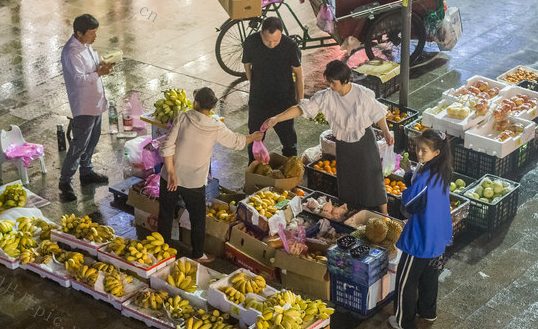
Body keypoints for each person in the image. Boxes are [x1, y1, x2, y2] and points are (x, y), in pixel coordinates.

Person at [264, 60, 393, 214]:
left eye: (333, 82)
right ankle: (350, 210)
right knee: (347, 177)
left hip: (364, 141)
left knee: (372, 175)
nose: (330, 86)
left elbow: (377, 113)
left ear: (344, 80)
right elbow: (301, 108)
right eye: (329, 82)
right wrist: (277, 118)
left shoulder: (361, 94)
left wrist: (385, 132)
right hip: (343, 143)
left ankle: (385, 213)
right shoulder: (327, 96)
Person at [159, 87, 264, 263]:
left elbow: (166, 146)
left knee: (166, 213)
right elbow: (236, 141)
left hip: (170, 177)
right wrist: (253, 137)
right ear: (211, 108)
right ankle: (198, 254)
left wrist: (171, 172)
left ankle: (161, 250)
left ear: (195, 103)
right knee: (198, 218)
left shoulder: (183, 117)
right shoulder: (216, 126)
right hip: (194, 182)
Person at [389, 129, 454, 329]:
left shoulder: (426, 176)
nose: (418, 153)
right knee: (429, 276)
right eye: (417, 148)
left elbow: (411, 202)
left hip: (421, 237)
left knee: (406, 280)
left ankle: (405, 322)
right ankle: (427, 311)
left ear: (436, 152)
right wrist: (410, 174)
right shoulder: (441, 170)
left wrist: (406, 190)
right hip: (438, 235)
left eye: (424, 150)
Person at [59, 14, 114, 202]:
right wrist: (99, 72)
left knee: (93, 139)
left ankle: (86, 171)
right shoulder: (71, 53)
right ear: (79, 33)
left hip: (96, 101)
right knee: (79, 144)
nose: (95, 37)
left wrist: (102, 66)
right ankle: (65, 181)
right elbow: (80, 80)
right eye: (91, 33)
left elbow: (92, 69)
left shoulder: (86, 46)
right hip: (84, 105)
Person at [242, 17, 303, 160]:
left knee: (288, 140)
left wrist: (300, 101)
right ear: (261, 33)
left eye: (276, 40)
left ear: (281, 33)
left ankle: (291, 168)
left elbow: (299, 75)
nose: (272, 44)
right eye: (268, 40)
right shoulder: (251, 42)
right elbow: (247, 64)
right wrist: (253, 81)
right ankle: (253, 169)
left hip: (283, 101)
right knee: (255, 138)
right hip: (259, 100)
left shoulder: (290, 46)